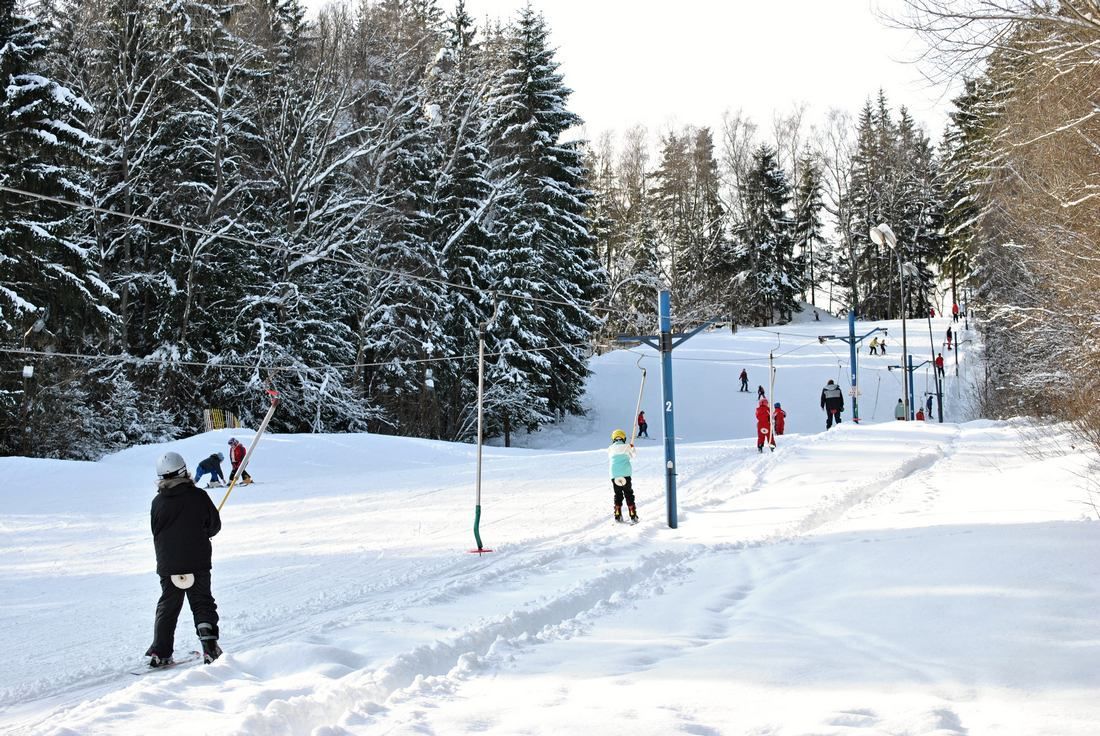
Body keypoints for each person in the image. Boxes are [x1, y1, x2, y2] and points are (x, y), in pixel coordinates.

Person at [146, 452, 223, 667]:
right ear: (183, 470)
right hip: (197, 561)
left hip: (168, 564)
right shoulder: (198, 496)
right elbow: (214, 526)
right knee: (202, 603)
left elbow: (156, 530)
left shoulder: (157, 502)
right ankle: (210, 648)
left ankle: (160, 652)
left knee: (168, 606)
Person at [607, 429, 638, 523]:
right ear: (623, 438)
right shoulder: (627, 447)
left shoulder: (610, 448)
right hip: (625, 474)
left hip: (614, 474)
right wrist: (632, 448)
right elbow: (633, 455)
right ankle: (632, 514)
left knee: (618, 494)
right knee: (628, 493)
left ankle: (617, 513)